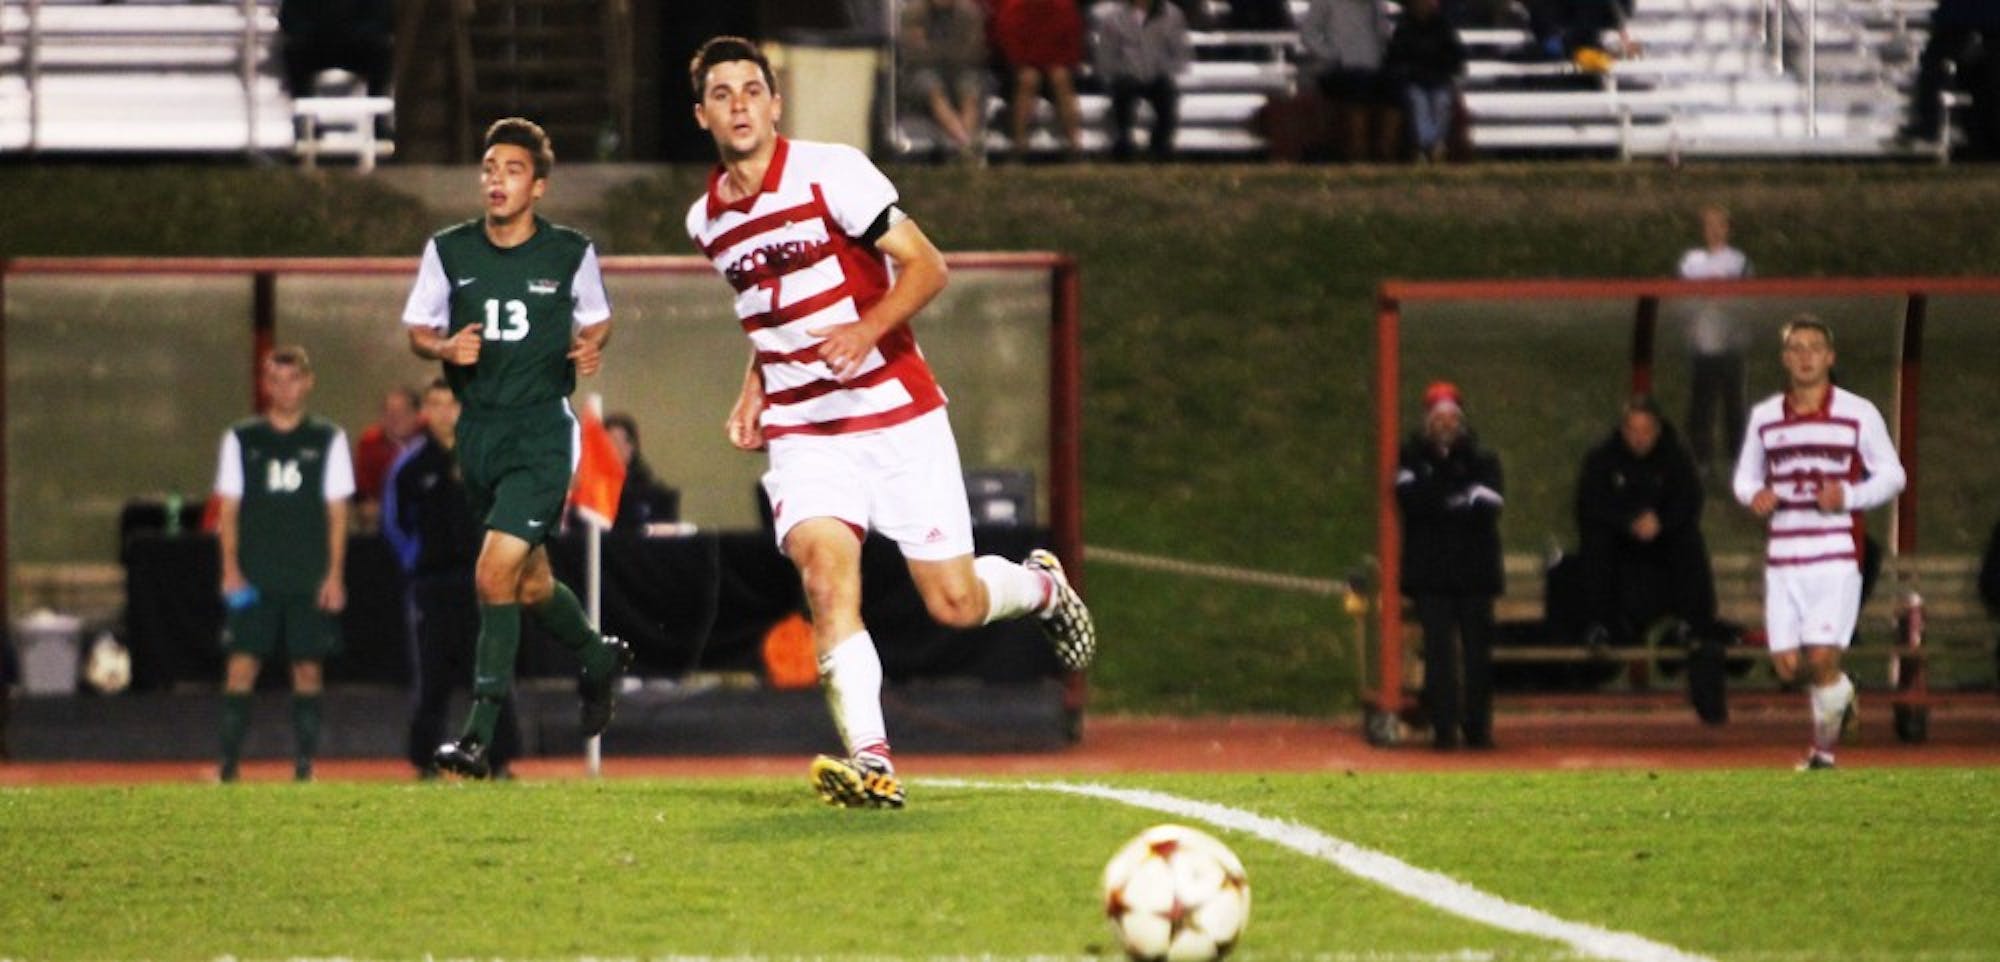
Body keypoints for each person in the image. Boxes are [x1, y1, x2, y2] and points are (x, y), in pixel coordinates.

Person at [683, 36, 1097, 808]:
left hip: (895, 414)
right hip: (805, 432)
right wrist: (755, 386)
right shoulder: (706, 221)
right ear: (701, 113)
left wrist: (866, 331)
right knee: (825, 579)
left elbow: (928, 266)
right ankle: (873, 763)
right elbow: (769, 311)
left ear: (776, 103)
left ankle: (1040, 589)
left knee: (955, 603)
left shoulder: (831, 171)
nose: (738, 104)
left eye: (751, 90)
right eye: (722, 94)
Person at [400, 117, 632, 780]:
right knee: (530, 583)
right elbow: (418, 327)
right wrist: (443, 347)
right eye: (489, 169)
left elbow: (599, 316)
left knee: (492, 574)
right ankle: (595, 656)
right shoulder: (449, 250)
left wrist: (591, 344)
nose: (495, 181)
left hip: (539, 433)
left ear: (538, 186)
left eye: (511, 171)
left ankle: (476, 735)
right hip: (478, 433)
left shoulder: (568, 251)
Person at [1733, 316, 1906, 771]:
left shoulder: (1858, 413)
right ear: (1785, 359)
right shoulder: (1766, 418)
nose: (1806, 356)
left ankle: (1824, 753)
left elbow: (1893, 475)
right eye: (1797, 348)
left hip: (1835, 556)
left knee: (1822, 656)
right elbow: (1745, 477)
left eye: (1815, 348)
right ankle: (1841, 693)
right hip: (1784, 559)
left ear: (1830, 357)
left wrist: (1848, 495)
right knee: (1790, 668)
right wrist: (1756, 495)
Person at [213, 345, 354, 783]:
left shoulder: (328, 438)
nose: (284, 388)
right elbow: (229, 510)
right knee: (241, 665)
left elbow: (337, 512)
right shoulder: (241, 438)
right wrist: (230, 569)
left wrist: (334, 575)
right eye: (275, 379)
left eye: (293, 379)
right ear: (264, 384)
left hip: (307, 574)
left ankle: (305, 765)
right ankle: (229, 765)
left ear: (308, 382)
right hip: (256, 573)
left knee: (308, 667)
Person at [384, 379, 524, 780]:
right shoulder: (411, 466)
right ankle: (426, 759)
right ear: (426, 410)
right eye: (437, 404)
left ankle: (498, 759)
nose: (445, 413)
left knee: (492, 671)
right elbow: (394, 523)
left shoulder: (485, 458)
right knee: (432, 676)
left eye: (452, 404)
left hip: (485, 584)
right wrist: (416, 560)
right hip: (433, 586)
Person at [1395, 381, 1502, 750]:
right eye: (1438, 417)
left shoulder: (1483, 458)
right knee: (1438, 653)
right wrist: (1458, 500)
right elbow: (1412, 500)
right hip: (1431, 573)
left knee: (1477, 654)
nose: (1445, 423)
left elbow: (1487, 504)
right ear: (1428, 421)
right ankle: (1443, 728)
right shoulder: (1410, 457)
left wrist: (1440, 500)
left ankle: (1478, 728)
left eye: (1450, 417)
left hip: (1474, 571)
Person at [1573, 395, 1717, 650]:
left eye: (1646, 431)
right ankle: (1598, 626)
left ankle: (1692, 624)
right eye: (1632, 430)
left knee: (1689, 540)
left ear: (1657, 430)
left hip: (1662, 550)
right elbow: (1590, 504)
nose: (1639, 438)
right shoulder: (1602, 458)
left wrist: (1660, 522)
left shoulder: (1676, 457)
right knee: (1596, 540)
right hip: (1619, 550)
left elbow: (1689, 501)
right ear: (1622, 429)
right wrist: (1628, 522)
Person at [1677, 204, 1752, 475]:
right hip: (1703, 342)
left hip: (1731, 343)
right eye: (1708, 225)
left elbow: (1746, 300)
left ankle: (1738, 461)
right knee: (1701, 403)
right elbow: (1683, 299)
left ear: (1728, 228)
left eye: (1719, 224)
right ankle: (1699, 461)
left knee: (1734, 404)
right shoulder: (1691, 261)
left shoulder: (1738, 261)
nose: (1713, 231)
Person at [1090, 0, 1192, 162]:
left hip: (1158, 75)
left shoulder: (1172, 15)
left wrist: (1161, 68)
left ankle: (1159, 147)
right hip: (1126, 75)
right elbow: (1105, 55)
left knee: (1167, 95)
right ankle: (1123, 145)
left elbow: (1181, 54)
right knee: (1122, 92)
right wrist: (1122, 71)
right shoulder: (1113, 17)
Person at [1299, 0, 1396, 162]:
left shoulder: (1376, 4)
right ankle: (1359, 153)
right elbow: (1308, 34)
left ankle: (1386, 152)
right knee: (1358, 87)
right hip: (1337, 70)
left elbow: (1384, 34)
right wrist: (1332, 55)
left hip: (1374, 69)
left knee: (1395, 88)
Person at [990, 0, 1086, 160]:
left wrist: (1054, 63)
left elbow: (1072, 44)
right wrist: (1029, 63)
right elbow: (1008, 44)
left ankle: (1075, 145)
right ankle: (1020, 145)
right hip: (1019, 67)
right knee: (1029, 78)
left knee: (1061, 77)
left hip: (1055, 65)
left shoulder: (1064, 7)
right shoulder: (1013, 7)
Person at [897, 0, 992, 162]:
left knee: (970, 91)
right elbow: (913, 55)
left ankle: (963, 148)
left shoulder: (970, 13)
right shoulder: (913, 14)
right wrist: (948, 51)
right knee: (933, 89)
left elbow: (974, 54)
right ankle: (966, 145)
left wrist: (933, 49)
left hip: (961, 69)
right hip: (920, 71)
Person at [1383, 0, 1467, 163]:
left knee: (1442, 102)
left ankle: (1435, 145)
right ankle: (1425, 146)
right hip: (1414, 81)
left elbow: (1455, 56)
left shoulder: (1443, 27)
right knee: (1418, 102)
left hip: (1439, 80)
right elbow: (1396, 57)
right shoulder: (1405, 27)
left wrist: (1443, 70)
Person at [277, 0, 394, 99]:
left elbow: (384, 17)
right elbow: (288, 18)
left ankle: (380, 112)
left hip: (360, 45)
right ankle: (301, 111)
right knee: (294, 51)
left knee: (382, 51)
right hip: (314, 45)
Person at [351, 384, 425, 529]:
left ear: (417, 414)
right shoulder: (370, 443)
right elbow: (365, 503)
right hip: (387, 526)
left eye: (402, 412)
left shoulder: (430, 438)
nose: (395, 419)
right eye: (389, 413)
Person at [601, 412, 682, 533]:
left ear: (631, 446)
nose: (610, 449)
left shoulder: (655, 494)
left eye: (616, 442)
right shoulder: (592, 493)